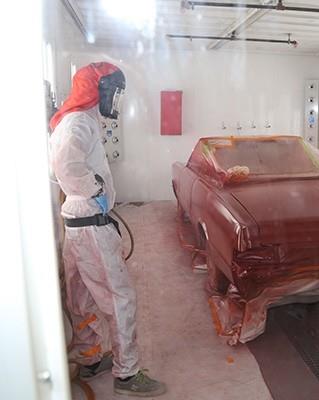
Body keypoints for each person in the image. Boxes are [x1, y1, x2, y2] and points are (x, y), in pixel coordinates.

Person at [49, 62, 166, 396]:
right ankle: (127, 374)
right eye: (112, 90)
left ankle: (88, 358)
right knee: (121, 299)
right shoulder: (78, 124)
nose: (115, 98)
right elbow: (66, 167)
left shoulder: (75, 121)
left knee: (80, 297)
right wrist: (97, 190)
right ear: (94, 89)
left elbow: (60, 168)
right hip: (91, 226)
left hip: (78, 223)